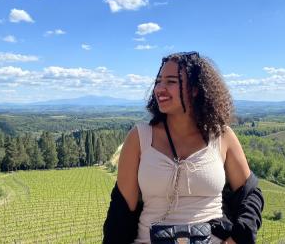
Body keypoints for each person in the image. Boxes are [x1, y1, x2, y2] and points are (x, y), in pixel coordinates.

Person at [103, 52, 264, 244]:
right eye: (158, 81)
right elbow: (120, 213)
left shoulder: (222, 136)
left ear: (195, 89)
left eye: (171, 82)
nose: (159, 89)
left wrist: (237, 238)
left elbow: (251, 195)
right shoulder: (139, 138)